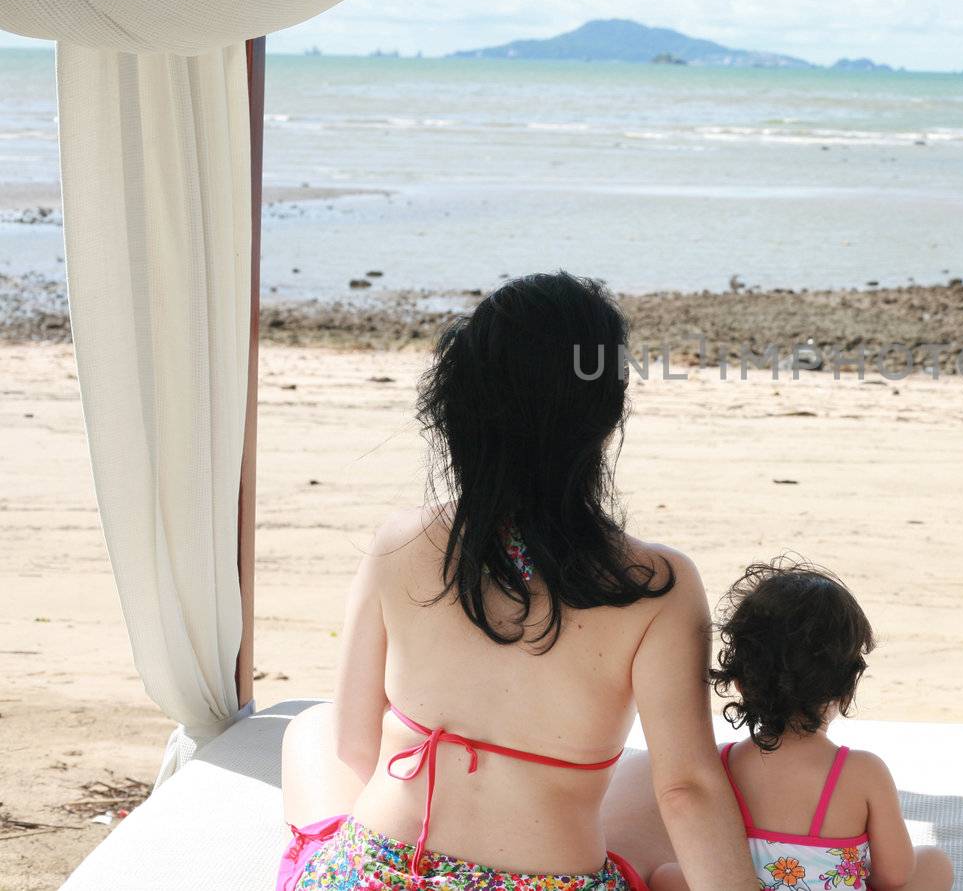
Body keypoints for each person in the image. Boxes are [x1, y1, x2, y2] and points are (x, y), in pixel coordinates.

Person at [277, 272, 754, 890]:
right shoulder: (655, 586)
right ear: (603, 414)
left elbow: (354, 749)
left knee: (311, 729)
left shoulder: (402, 540)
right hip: (550, 879)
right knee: (669, 779)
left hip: (383, 874)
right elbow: (687, 792)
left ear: (463, 404)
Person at [649, 561, 954, 891]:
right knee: (934, 863)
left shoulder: (719, 767)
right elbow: (895, 875)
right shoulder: (863, 772)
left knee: (664, 875)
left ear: (739, 682)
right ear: (847, 685)